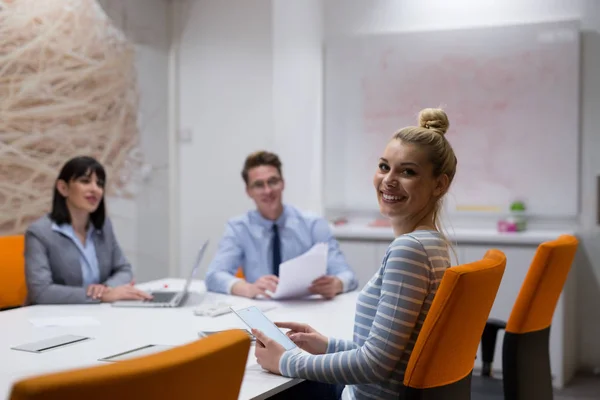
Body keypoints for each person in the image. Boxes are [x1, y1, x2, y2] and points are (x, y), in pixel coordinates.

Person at [251, 108, 458, 400]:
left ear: (440, 184)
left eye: (408, 171)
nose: (389, 180)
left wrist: (284, 362)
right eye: (384, 166)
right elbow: (394, 356)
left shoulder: (409, 250)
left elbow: (376, 365)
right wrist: (325, 345)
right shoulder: (434, 244)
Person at [205, 151, 358, 299]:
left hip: (308, 308)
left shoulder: (313, 224)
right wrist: (248, 288)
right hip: (262, 308)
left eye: (273, 182)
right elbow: (214, 275)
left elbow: (347, 275)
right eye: (259, 185)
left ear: (283, 183)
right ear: (248, 191)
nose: (268, 190)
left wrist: (337, 284)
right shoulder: (238, 228)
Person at [24, 156, 152, 305]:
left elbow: (124, 269)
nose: (95, 189)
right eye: (85, 181)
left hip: (96, 314)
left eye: (99, 184)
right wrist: (97, 296)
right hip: (53, 318)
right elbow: (41, 292)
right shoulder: (40, 233)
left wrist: (107, 289)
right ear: (63, 188)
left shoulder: (103, 226)